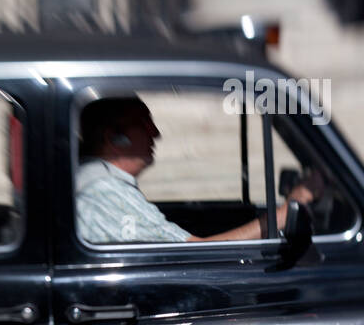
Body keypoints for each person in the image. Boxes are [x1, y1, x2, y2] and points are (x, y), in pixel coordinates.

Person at [75, 97, 318, 244]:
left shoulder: (100, 182)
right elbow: (194, 251)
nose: (156, 133)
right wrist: (286, 212)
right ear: (114, 138)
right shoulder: (104, 190)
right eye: (144, 124)